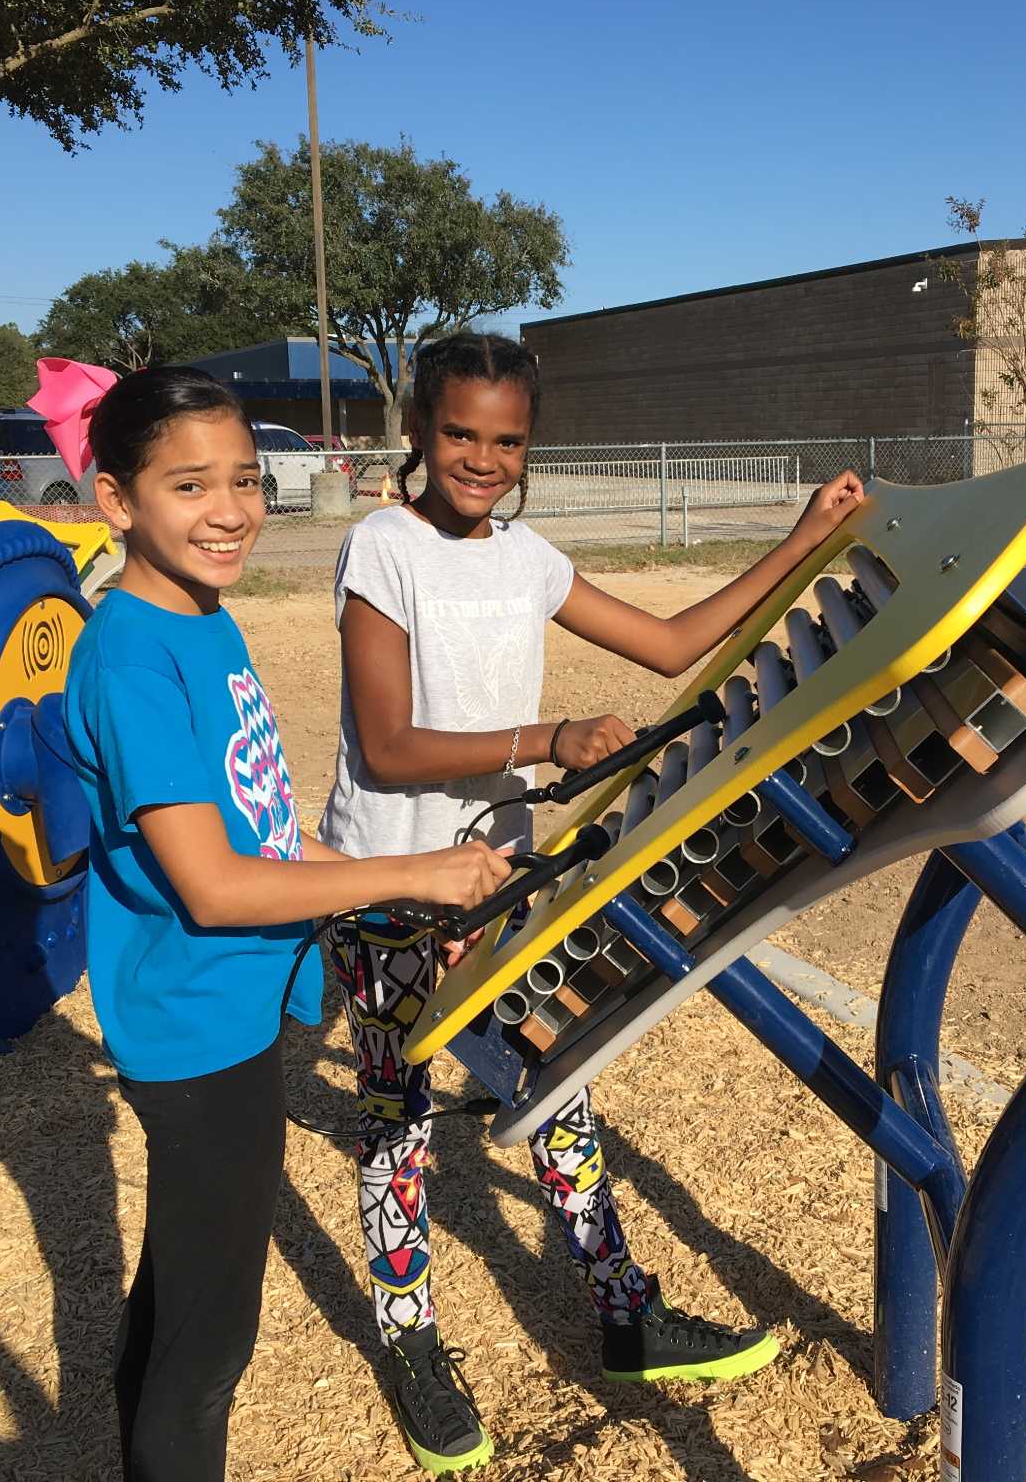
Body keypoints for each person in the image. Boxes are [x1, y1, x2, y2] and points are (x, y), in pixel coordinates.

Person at [320, 332, 866, 1474]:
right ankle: (411, 1335)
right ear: (420, 431)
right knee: (397, 1113)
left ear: (529, 447)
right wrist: (546, 739)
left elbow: (671, 647)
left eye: (505, 441)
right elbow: (385, 744)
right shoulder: (382, 550)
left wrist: (805, 539)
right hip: (390, 884)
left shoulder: (528, 560)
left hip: (500, 875)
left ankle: (622, 1310)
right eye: (460, 433)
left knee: (554, 1075)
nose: (481, 458)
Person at [52, 361, 514, 1482]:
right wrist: (411, 868)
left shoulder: (204, 620)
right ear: (117, 500)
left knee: (177, 1301)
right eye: (189, 486)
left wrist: (400, 884)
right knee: (211, 1346)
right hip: (196, 1031)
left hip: (238, 1012)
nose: (230, 512)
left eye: (247, 481)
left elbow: (265, 833)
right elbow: (212, 885)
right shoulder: (133, 657)